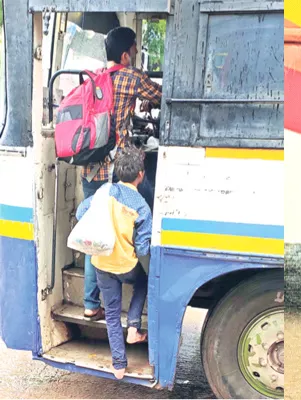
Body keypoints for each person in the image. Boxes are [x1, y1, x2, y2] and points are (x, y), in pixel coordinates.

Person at [81, 26, 161, 321]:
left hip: (90, 167)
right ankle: (140, 276)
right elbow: (162, 95)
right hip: (116, 170)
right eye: (136, 50)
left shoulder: (95, 78)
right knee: (146, 208)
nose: (136, 55)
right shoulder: (132, 76)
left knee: (93, 230)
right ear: (126, 54)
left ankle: (90, 302)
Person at [76, 145, 152, 379]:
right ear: (141, 174)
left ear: (116, 172)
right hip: (126, 266)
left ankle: (118, 364)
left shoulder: (103, 191)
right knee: (144, 282)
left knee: (110, 312)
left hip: (101, 264)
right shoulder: (141, 206)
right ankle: (133, 325)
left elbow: (81, 213)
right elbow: (142, 247)